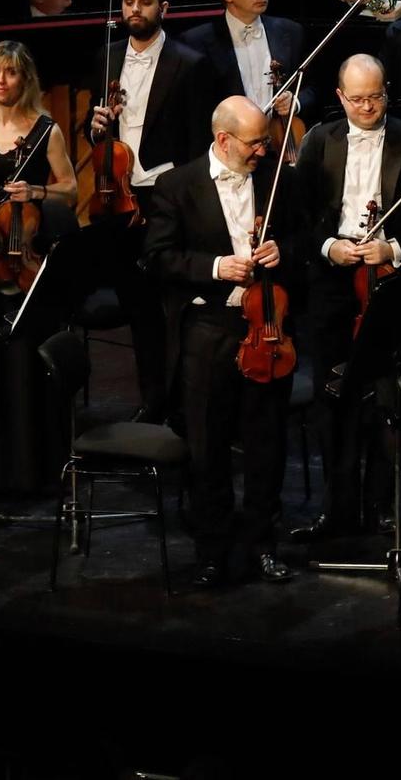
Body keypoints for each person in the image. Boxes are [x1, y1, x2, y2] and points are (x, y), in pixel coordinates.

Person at [288, 55, 401, 540]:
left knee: (384, 399)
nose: (367, 107)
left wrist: (393, 247)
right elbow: (300, 218)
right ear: (339, 96)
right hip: (333, 287)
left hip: (388, 285)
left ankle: (382, 505)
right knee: (332, 399)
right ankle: (336, 509)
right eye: (357, 99)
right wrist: (328, 246)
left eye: (376, 97)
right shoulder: (318, 140)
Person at [142, 96, 298, 588]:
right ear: (223, 140)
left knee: (266, 444)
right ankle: (212, 551)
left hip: (267, 326)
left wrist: (282, 250)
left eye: (265, 142)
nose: (262, 151)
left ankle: (262, 545)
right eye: (254, 143)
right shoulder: (176, 186)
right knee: (206, 446)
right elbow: (158, 258)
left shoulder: (277, 179)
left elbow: (303, 235)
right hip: (209, 328)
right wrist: (214, 268)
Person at [82, 0, 211, 421]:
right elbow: (93, 131)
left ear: (164, 9)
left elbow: (198, 144)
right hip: (117, 198)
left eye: (145, 2)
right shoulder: (106, 56)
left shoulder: (190, 62)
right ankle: (152, 402)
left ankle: (182, 405)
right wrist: (94, 128)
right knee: (138, 308)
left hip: (166, 197)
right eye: (129, 2)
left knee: (171, 306)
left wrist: (183, 198)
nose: (135, 10)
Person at [0, 42, 77, 492]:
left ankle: (29, 463)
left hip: (22, 247)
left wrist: (36, 194)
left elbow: (70, 189)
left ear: (25, 79)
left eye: (9, 74)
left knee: (21, 348)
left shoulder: (47, 130)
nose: (0, 82)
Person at [186, 0, 307, 116]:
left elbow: (313, 87)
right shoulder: (196, 42)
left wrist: (297, 101)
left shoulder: (291, 31)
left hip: (282, 136)